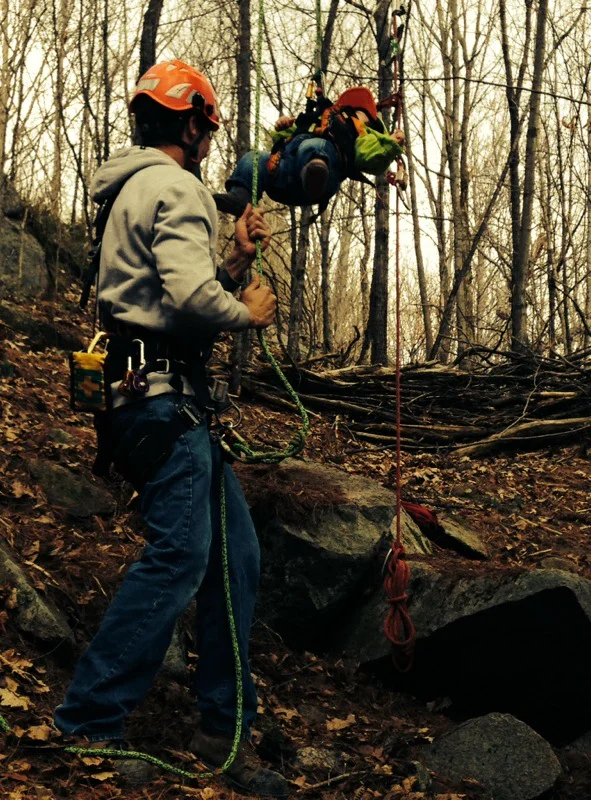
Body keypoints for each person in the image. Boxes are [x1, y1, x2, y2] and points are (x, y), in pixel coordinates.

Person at [54, 59, 289, 799]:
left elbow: (165, 293)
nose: (211, 140)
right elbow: (189, 301)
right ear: (190, 123)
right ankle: (89, 717)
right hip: (163, 405)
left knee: (235, 554)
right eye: (207, 126)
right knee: (182, 554)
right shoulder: (179, 186)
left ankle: (222, 727)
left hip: (144, 400)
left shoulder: (129, 187)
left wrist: (233, 261)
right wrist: (245, 309)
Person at [214, 85, 405, 217]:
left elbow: (368, 157)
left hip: (324, 177)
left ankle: (315, 173)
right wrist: (283, 127)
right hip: (286, 172)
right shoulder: (317, 122)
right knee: (255, 158)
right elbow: (286, 138)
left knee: (315, 147)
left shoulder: (361, 134)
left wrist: (390, 144)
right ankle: (241, 195)